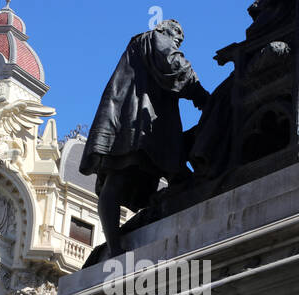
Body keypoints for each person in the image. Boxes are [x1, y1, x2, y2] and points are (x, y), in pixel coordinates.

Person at [81, 19, 211, 257]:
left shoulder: (138, 48)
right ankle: (115, 246)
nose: (178, 42)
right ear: (165, 29)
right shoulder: (154, 37)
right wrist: (200, 94)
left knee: (127, 176)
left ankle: (117, 244)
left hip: (133, 119)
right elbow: (172, 63)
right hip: (136, 121)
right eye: (177, 37)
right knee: (120, 176)